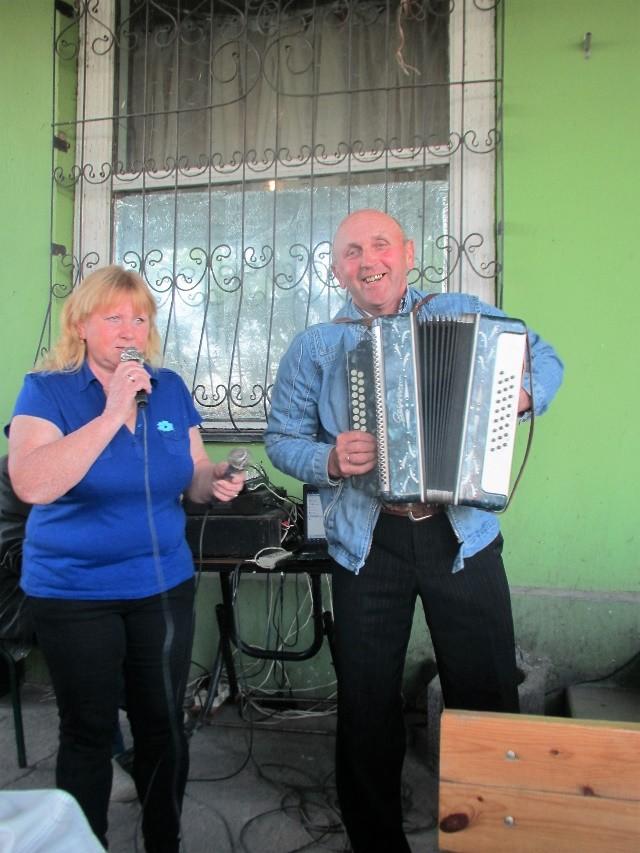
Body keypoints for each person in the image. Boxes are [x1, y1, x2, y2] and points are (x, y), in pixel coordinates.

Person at [264, 209, 564, 852]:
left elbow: (545, 359)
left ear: (406, 253)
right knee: (368, 703)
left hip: (462, 537)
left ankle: (495, 836)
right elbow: (281, 440)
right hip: (368, 543)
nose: (367, 259)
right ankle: (376, 842)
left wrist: (515, 392)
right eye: (350, 251)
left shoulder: (462, 311)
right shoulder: (317, 346)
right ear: (337, 268)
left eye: (379, 244)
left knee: (486, 694)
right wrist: (326, 459)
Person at [6, 265, 245, 852]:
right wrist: (112, 411)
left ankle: (164, 839)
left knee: (163, 724)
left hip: (161, 586)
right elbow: (33, 483)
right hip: (73, 591)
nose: (129, 329)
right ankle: (84, 842)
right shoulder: (47, 390)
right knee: (88, 731)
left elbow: (187, 476)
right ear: (82, 324)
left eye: (139, 317)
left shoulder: (168, 388)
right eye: (113, 317)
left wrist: (213, 478)